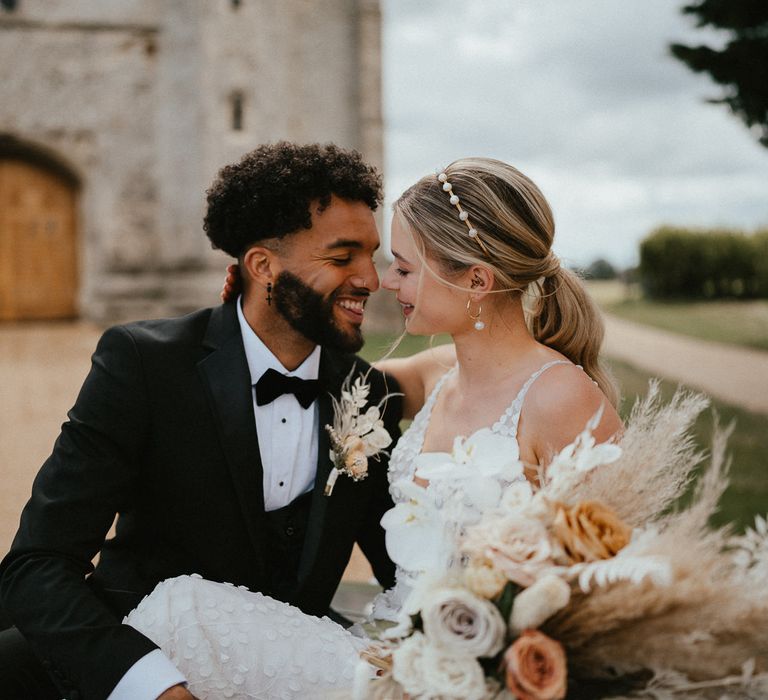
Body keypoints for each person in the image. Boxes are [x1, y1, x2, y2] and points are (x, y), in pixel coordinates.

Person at [125, 156, 623, 698]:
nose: (384, 282)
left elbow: (607, 586)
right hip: (384, 640)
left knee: (180, 611)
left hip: (462, 676)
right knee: (175, 610)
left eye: (405, 269)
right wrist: (258, 300)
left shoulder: (562, 398)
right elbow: (300, 377)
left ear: (477, 280)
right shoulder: (435, 377)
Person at [0, 142, 402, 700]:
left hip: (288, 670)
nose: (371, 280)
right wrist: (156, 688)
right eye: (343, 257)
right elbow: (37, 565)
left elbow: (402, 566)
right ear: (263, 266)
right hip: (137, 650)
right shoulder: (144, 363)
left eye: (372, 255)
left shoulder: (369, 393)